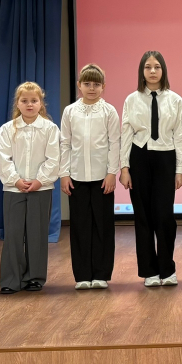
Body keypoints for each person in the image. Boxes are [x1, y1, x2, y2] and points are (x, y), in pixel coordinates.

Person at [120, 51, 182, 287]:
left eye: (157, 67)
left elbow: (180, 135)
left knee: (165, 216)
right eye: (148, 67)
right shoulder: (132, 99)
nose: (153, 71)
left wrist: (179, 170)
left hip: (166, 157)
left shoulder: (175, 100)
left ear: (163, 70)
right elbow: (126, 134)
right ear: (142, 71)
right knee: (143, 217)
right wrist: (124, 168)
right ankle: (149, 271)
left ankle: (167, 269)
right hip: (139, 157)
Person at [60, 64, 121, 290]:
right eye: (87, 84)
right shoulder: (70, 111)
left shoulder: (109, 111)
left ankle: (101, 274)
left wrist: (111, 172)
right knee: (80, 226)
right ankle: (83, 276)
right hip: (76, 177)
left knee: (102, 226)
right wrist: (64, 174)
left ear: (103, 86)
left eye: (96, 84)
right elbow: (65, 143)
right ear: (79, 85)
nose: (91, 88)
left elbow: (115, 143)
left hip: (102, 178)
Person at [0, 82, 61, 294]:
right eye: (24, 101)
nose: (29, 104)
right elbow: (3, 159)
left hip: (41, 188)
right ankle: (11, 280)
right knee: (13, 234)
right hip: (13, 189)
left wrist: (39, 180)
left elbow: (54, 159)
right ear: (17, 103)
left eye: (34, 100)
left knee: (37, 234)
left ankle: (34, 277)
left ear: (41, 103)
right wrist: (15, 180)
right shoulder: (7, 129)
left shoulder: (50, 129)